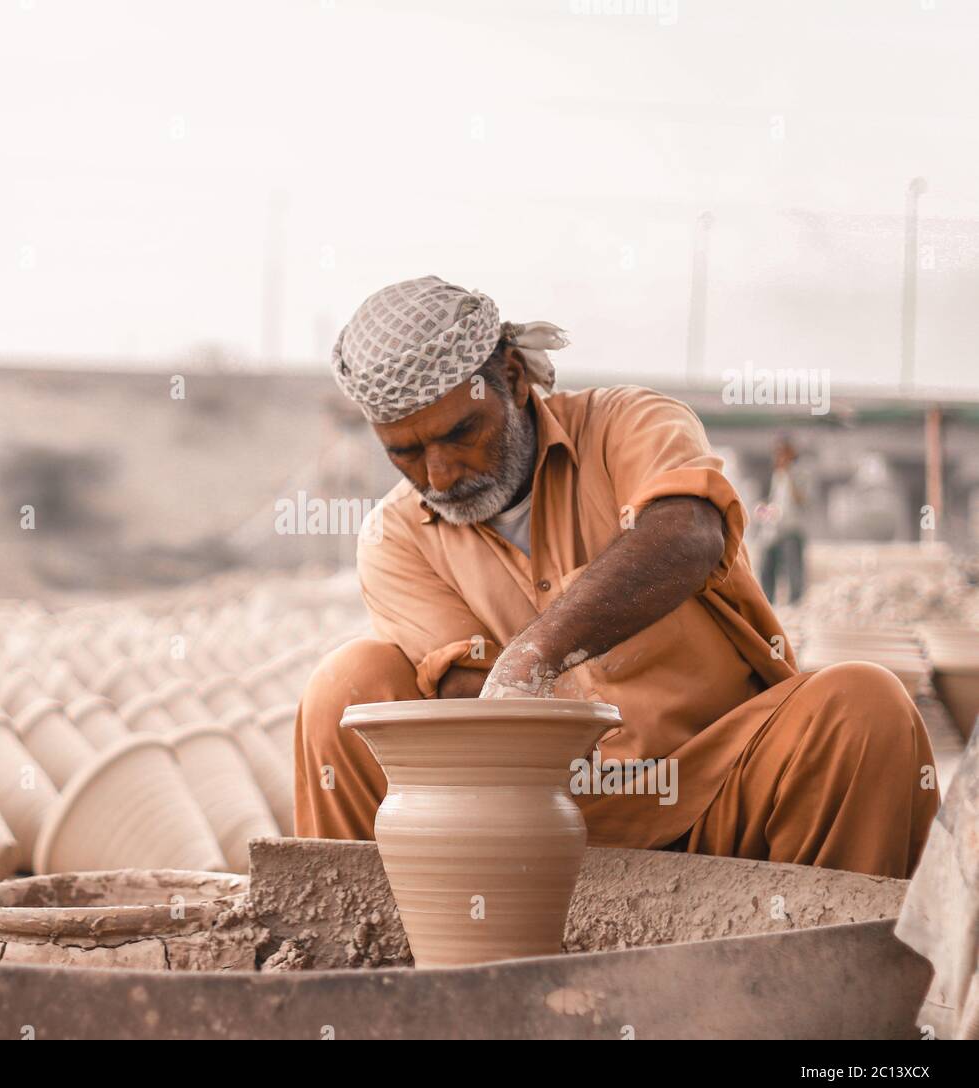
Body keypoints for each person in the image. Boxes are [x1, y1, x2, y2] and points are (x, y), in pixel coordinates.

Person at [294, 275, 936, 878]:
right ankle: (373, 962)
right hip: (533, 824)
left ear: (513, 377)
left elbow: (687, 531)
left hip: (718, 789)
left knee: (865, 704)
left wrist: (535, 656)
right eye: (405, 453)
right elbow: (467, 702)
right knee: (345, 687)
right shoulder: (395, 535)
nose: (439, 475)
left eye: (461, 432)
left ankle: (816, 973)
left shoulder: (628, 422)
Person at [758, 434, 811, 604]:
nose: (777, 456)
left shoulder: (801, 472)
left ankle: (796, 603)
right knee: (767, 567)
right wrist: (764, 510)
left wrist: (789, 474)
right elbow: (775, 501)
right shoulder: (777, 475)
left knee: (793, 569)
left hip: (792, 529)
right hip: (774, 530)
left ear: (791, 453)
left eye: (781, 452)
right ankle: (768, 604)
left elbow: (802, 500)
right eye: (776, 452)